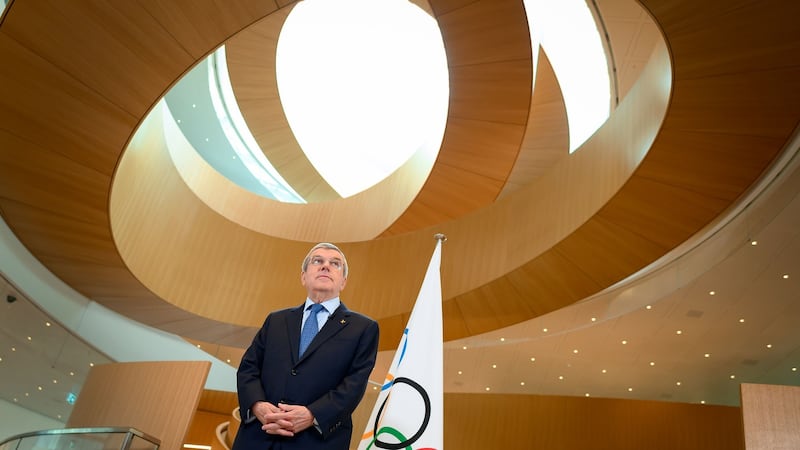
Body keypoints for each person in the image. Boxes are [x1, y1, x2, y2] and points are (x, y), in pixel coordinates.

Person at [232, 242, 380, 450]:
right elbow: (248, 368)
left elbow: (354, 384)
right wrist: (258, 406)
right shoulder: (276, 320)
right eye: (317, 261)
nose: (325, 266)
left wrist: (312, 415)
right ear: (303, 276)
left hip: (316, 442)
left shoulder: (363, 328)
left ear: (343, 282)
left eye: (335, 264)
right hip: (258, 437)